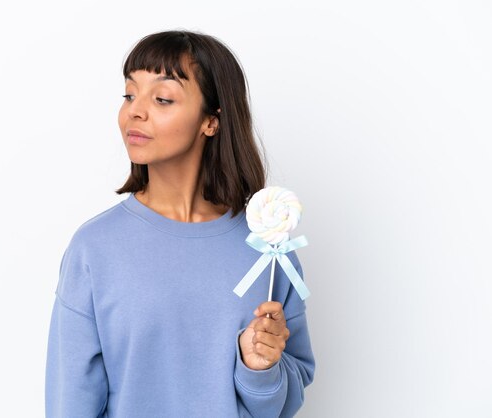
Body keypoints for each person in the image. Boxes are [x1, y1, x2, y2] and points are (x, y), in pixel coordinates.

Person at [45, 30, 315, 418]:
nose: (135, 111)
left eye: (162, 98)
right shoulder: (95, 247)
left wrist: (259, 368)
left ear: (211, 121)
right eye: (129, 94)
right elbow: (70, 400)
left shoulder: (267, 247)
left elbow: (286, 400)